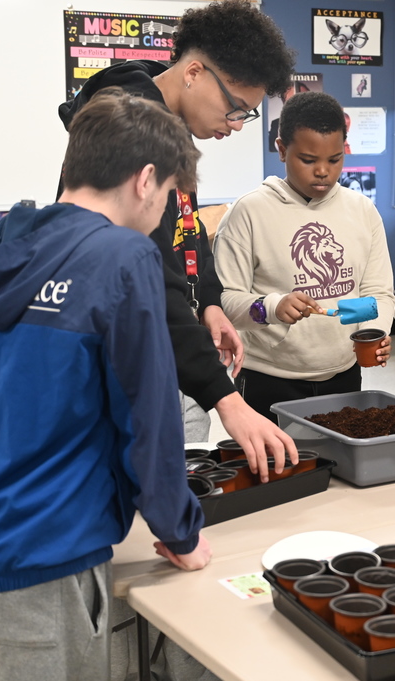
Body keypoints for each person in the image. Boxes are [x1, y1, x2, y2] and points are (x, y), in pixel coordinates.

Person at [0, 89, 211, 681]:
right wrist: (179, 530)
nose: (167, 216)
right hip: (46, 547)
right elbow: (147, 412)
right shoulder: (121, 256)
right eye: (172, 196)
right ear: (146, 180)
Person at [57, 0, 298, 477]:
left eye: (246, 116)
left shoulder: (165, 118)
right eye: (236, 109)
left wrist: (207, 299)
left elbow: (186, 226)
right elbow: (146, 272)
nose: (234, 126)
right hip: (123, 348)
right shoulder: (134, 130)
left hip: (164, 338)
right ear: (193, 72)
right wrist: (226, 400)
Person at [214, 92, 394, 422]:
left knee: (340, 471)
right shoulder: (249, 213)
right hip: (267, 380)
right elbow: (225, 301)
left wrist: (377, 332)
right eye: (309, 160)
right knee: (274, 472)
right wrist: (272, 306)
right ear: (282, 149)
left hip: (344, 376)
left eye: (336, 159)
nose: (324, 171)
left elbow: (378, 293)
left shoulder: (362, 211)